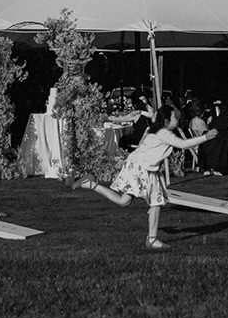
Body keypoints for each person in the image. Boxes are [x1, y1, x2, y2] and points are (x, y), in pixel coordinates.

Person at [72, 105, 218, 249]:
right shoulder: (164, 133)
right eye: (174, 118)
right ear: (166, 121)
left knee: (124, 201)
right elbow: (183, 144)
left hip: (137, 166)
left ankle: (89, 184)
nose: (177, 120)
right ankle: (152, 239)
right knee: (156, 202)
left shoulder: (155, 130)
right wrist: (206, 137)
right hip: (143, 169)